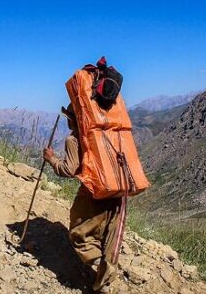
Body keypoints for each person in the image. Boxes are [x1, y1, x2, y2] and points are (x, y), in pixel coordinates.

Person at [43, 104, 122, 294]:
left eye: (69, 117)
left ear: (75, 119)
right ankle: (106, 281)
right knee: (108, 239)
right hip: (117, 193)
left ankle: (95, 269)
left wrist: (51, 159)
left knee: (79, 234)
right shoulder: (108, 133)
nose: (68, 120)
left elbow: (69, 170)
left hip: (92, 194)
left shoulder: (74, 138)